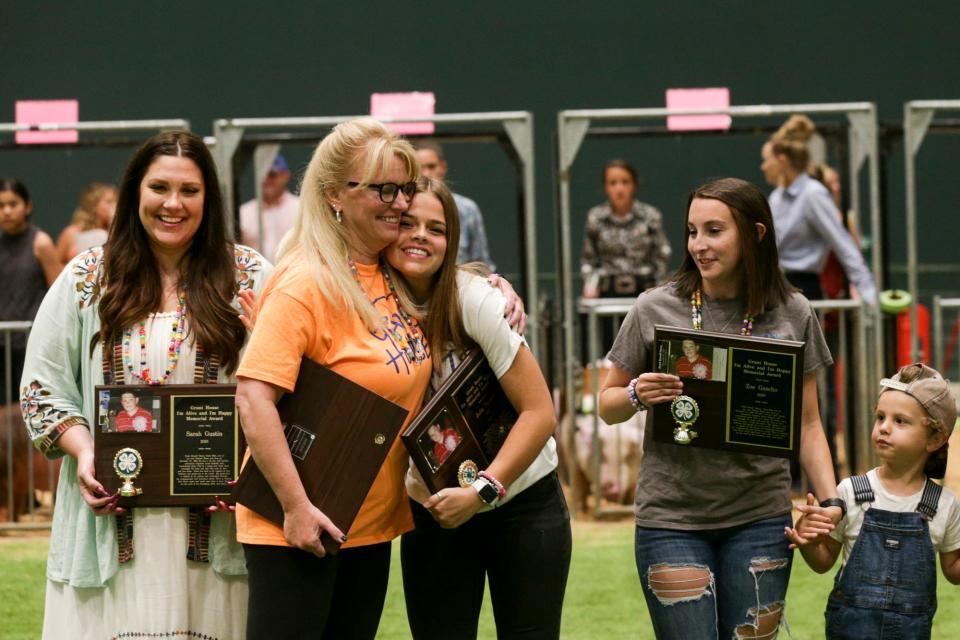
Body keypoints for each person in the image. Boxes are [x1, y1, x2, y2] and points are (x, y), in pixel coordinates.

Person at [19, 131, 271, 639]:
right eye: (159, 187)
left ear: (210, 198)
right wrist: (85, 453)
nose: (173, 204)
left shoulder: (250, 277)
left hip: (218, 530)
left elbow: (289, 386)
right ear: (136, 192)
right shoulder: (85, 278)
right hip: (108, 529)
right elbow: (41, 388)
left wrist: (250, 469)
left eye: (190, 190)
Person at [598, 177, 841, 639]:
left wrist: (830, 504)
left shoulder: (793, 311)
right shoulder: (654, 307)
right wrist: (635, 394)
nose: (699, 246)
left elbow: (808, 424)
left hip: (760, 517)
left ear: (755, 234)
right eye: (692, 232)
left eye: (714, 231)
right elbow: (608, 406)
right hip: (671, 519)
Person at [234, 118, 432, 639]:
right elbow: (253, 399)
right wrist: (296, 509)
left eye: (406, 188)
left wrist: (496, 285)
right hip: (300, 527)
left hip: (366, 523)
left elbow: (450, 272)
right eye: (383, 188)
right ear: (334, 196)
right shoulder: (306, 280)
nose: (400, 203)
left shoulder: (388, 270)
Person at [391, 176, 570, 639]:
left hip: (521, 499)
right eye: (408, 223)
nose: (420, 237)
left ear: (452, 242)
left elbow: (539, 412)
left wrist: (484, 491)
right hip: (433, 506)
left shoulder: (475, 298)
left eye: (436, 228)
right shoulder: (366, 303)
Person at [786, 363, 960, 638]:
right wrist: (810, 540)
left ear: (935, 438)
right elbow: (823, 562)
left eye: (899, 421)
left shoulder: (945, 505)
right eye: (880, 417)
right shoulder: (850, 492)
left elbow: (953, 571)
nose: (884, 428)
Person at [762, 115, 877, 304]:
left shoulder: (812, 194)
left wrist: (869, 293)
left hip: (803, 290)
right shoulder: (776, 197)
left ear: (782, 160)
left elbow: (842, 243)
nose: (763, 167)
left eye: (766, 160)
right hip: (775, 287)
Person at [0, 179, 60, 402]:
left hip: (30, 341)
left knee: (30, 405)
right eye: (1, 205)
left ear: (27, 206)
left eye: (12, 204)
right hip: (2, 341)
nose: (6, 211)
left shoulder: (41, 242)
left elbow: (57, 291)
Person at [581, 159, 671, 299]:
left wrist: (659, 287)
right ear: (605, 187)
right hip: (607, 293)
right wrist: (590, 284)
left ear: (634, 185)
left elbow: (662, 254)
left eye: (625, 182)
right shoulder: (596, 218)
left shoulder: (650, 216)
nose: (619, 188)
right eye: (613, 183)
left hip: (645, 290)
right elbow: (588, 259)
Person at [415, 141, 495, 270]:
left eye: (431, 166)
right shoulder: (402, 205)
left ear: (443, 168)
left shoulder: (467, 209)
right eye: (420, 168)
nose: (426, 174)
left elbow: (481, 263)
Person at [238, 153, 299, 263]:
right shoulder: (243, 212)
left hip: (293, 274)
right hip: (256, 277)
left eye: (272, 174)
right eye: (262, 174)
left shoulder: (301, 209)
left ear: (286, 176)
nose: (267, 179)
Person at [56, 182, 117, 263]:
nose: (115, 206)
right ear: (93, 205)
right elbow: (56, 264)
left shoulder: (113, 232)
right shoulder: (72, 233)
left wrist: (113, 223)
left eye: (116, 201)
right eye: (109, 202)